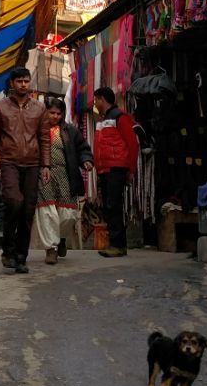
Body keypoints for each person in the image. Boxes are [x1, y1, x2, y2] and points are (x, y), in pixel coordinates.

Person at [0, 67, 52, 274]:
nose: (23, 85)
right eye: (19, 81)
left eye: (26, 81)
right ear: (12, 83)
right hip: (9, 162)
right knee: (14, 202)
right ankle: (8, 251)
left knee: (28, 211)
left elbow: (45, 138)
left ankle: (21, 256)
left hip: (33, 164)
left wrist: (46, 165)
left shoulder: (39, 109)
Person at [35, 98, 93, 265]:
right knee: (47, 212)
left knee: (68, 214)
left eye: (58, 113)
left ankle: (60, 238)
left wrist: (87, 160)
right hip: (43, 175)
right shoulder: (36, 130)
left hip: (65, 175)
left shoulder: (71, 131)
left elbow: (83, 148)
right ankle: (51, 249)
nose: (54, 116)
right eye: (51, 112)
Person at [90, 87, 140, 258]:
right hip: (105, 168)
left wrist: (131, 170)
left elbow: (133, 144)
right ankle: (116, 244)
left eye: (96, 100)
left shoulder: (120, 116)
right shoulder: (103, 120)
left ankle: (118, 245)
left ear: (102, 99)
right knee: (109, 206)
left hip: (116, 168)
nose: (95, 103)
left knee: (113, 205)